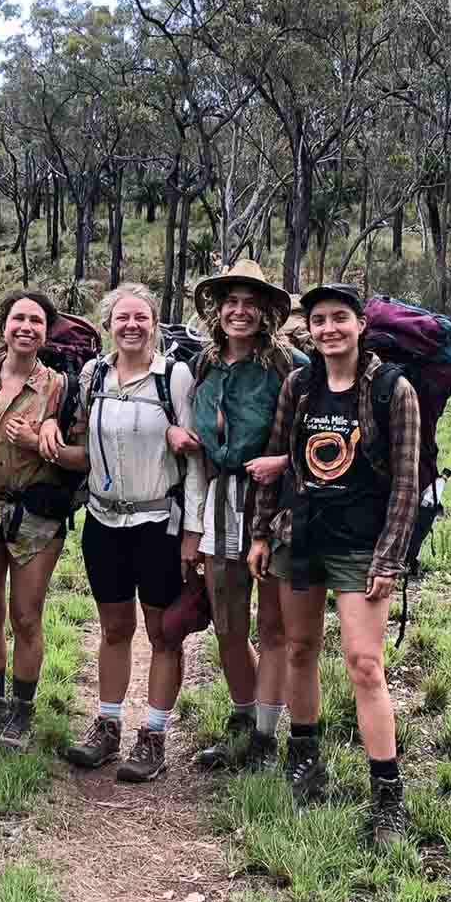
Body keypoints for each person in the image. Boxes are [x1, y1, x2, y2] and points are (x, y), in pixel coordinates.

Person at [248, 276, 420, 835]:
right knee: (299, 648)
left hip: (361, 545)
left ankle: (388, 794)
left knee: (364, 665)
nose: (328, 329)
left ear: (360, 324)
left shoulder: (394, 390)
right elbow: (276, 461)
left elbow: (405, 484)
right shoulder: (298, 385)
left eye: (339, 319)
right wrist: (259, 533)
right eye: (318, 321)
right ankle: (304, 756)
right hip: (300, 536)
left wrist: (389, 558)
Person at [39, 283, 202, 783]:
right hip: (104, 521)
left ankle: (153, 735)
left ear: (155, 324)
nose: (132, 326)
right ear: (108, 325)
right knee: (113, 629)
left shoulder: (174, 377)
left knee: (161, 633)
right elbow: (78, 434)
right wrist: (46, 424)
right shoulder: (93, 375)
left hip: (158, 522)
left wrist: (193, 530)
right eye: (122, 318)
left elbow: (194, 458)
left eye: (141, 318)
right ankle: (107, 726)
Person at [173, 260, 300, 774]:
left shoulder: (286, 365)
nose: (239, 311)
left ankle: (267, 740)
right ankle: (242, 720)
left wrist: (285, 462)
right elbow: (198, 448)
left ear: (265, 311)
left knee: (272, 627)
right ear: (217, 310)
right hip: (219, 505)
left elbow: (316, 438)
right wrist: (195, 527)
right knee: (227, 626)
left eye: (250, 303)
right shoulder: (203, 364)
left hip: (274, 506)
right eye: (231, 302)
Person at [0, 290, 72, 751]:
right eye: (18, 318)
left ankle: (22, 710)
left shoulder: (60, 387)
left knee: (26, 617)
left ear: (47, 331)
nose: (26, 327)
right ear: (4, 325)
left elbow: (81, 458)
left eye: (37, 321)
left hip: (35, 519)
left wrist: (38, 442)